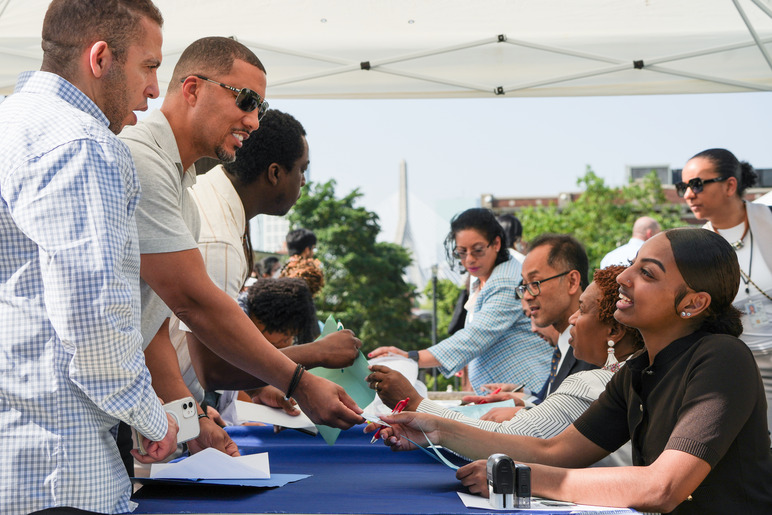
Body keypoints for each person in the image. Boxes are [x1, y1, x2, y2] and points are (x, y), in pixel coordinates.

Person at [378, 229, 772, 514]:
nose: (622, 277)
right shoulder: (637, 370)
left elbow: (663, 487)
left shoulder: (722, 358)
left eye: (647, 273)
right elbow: (557, 449)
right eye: (632, 266)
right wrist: (437, 429)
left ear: (693, 303)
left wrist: (518, 478)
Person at [120, 36, 363, 451]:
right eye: (246, 100)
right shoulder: (143, 161)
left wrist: (190, 416)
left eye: (260, 108)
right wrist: (299, 378)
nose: (254, 120)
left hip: (128, 418)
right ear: (193, 89)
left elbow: (152, 329)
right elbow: (194, 308)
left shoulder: (185, 192)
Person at [0, 1, 178, 513]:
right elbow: (92, 314)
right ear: (100, 58)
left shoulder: (14, 123)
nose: (153, 88)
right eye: (149, 66)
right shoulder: (82, 143)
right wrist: (151, 415)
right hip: (61, 469)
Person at [367, 265, 642, 467]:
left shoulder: (594, 383)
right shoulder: (628, 375)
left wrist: (418, 405)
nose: (573, 318)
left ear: (614, 331)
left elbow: (510, 439)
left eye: (582, 310)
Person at [169, 110, 351, 414]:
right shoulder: (218, 242)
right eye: (301, 170)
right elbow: (211, 370)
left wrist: (257, 387)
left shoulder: (215, 198)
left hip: (184, 409)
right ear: (275, 173)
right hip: (169, 418)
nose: (303, 181)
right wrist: (316, 353)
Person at [369, 208, 551, 394]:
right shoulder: (483, 275)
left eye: (478, 250)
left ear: (497, 243)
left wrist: (411, 357)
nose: (469, 260)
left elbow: (475, 336)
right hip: (506, 391)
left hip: (528, 387)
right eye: (462, 252)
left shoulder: (505, 280)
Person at [679, 148, 772, 430]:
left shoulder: (767, 220)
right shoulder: (696, 247)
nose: (688, 195)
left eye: (696, 184)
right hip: (742, 365)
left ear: (730, 184)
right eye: (682, 186)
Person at [280, 227, 325, 295]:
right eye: (312, 249)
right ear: (307, 250)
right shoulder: (309, 274)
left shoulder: (279, 271)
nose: (313, 253)